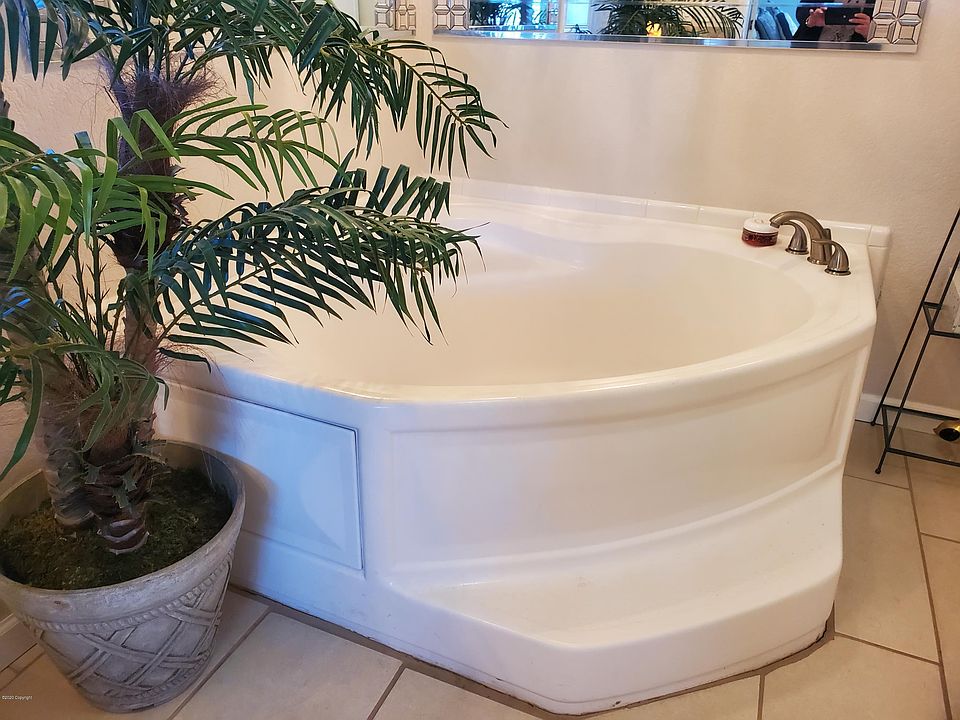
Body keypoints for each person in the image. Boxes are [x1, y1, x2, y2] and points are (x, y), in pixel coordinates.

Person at [793, 4, 872, 42]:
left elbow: (877, 35)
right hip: (806, 52)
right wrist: (809, 20)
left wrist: (871, 32)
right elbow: (801, 11)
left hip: (855, 59)